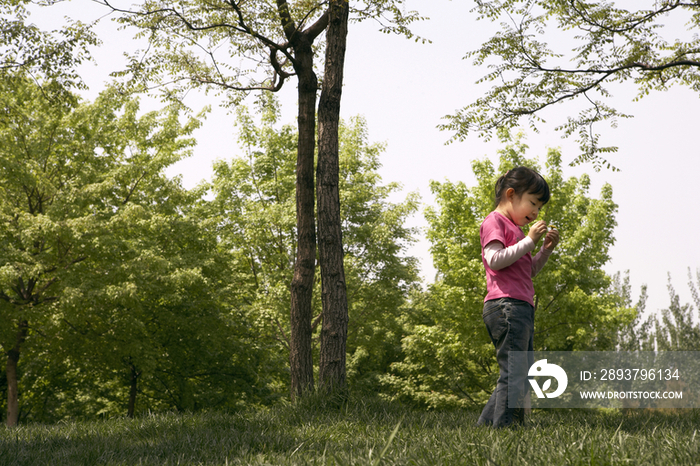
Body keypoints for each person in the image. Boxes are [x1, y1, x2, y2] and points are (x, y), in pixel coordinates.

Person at [476, 166, 560, 428]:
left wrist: (544, 250)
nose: (535, 212)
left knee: (519, 373)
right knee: (514, 372)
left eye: (539, 207)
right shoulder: (495, 222)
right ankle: (505, 431)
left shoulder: (518, 233)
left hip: (521, 306)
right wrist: (530, 241)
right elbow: (495, 259)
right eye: (532, 203)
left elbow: (529, 270)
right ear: (511, 195)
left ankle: (487, 426)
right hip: (506, 305)